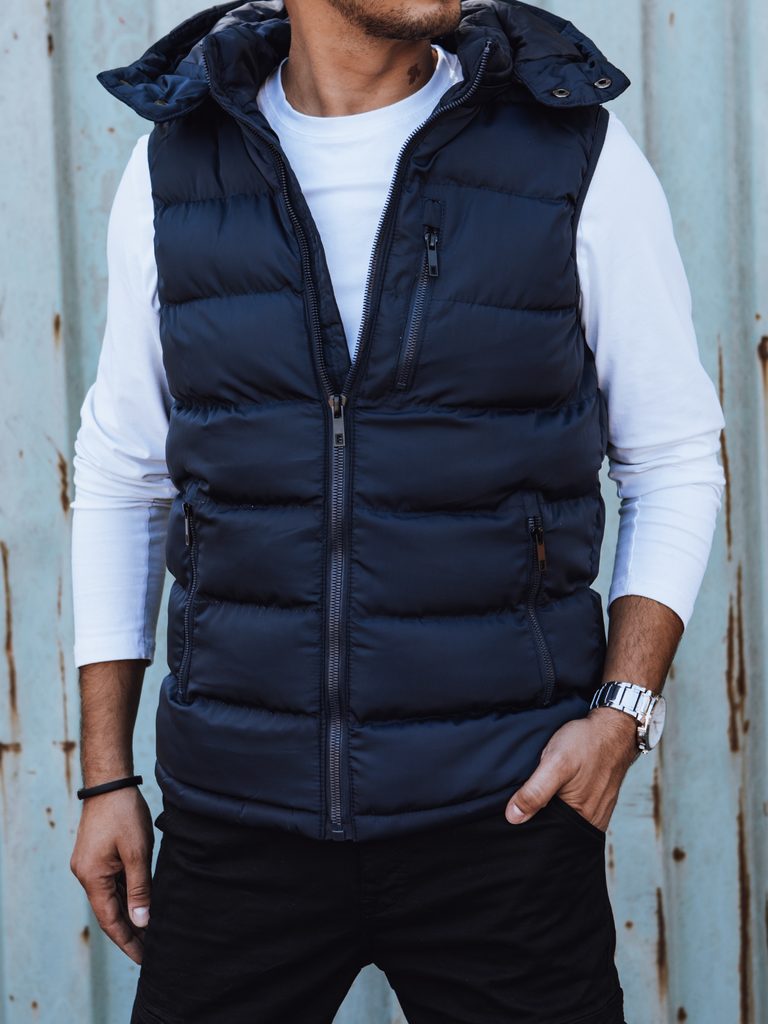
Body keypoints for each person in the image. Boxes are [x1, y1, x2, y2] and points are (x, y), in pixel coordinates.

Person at [68, 2, 726, 1022]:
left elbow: (674, 453)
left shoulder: (572, 153)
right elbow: (124, 476)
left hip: (505, 814)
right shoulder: (178, 165)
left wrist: (620, 716)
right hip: (238, 819)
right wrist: (106, 778)